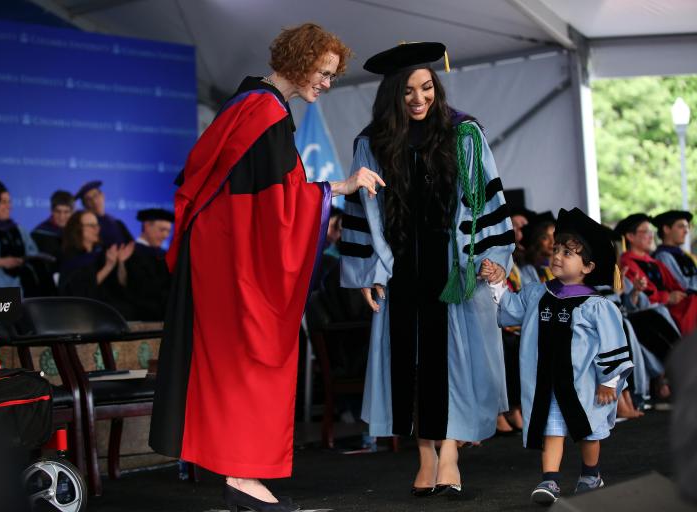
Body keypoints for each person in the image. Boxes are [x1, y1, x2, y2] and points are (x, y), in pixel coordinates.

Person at [148, 23, 381, 512]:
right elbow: (279, 208)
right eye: (324, 72)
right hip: (233, 263)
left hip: (217, 257)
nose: (327, 82)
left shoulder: (248, 106)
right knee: (252, 361)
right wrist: (340, 186)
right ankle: (242, 476)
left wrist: (329, 189)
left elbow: (254, 192)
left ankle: (240, 476)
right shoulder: (267, 115)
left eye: (332, 75)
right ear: (298, 63)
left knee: (233, 366)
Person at [340, 42, 514, 498]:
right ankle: (425, 456)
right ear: (392, 97)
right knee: (411, 365)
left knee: (452, 365)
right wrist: (368, 273)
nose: (419, 100)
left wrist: (489, 259)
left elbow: (486, 202)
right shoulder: (372, 143)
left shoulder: (464, 134)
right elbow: (361, 212)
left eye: (427, 88)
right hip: (399, 270)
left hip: (453, 268)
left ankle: (451, 453)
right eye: (408, 92)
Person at [483, 207, 633, 505]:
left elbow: (612, 343)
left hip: (584, 385)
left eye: (568, 252)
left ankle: (591, 474)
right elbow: (511, 308)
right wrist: (498, 282)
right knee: (551, 430)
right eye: (557, 249)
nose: (558, 256)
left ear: (588, 267)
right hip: (548, 383)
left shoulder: (597, 305)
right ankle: (549, 481)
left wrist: (610, 382)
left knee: (589, 432)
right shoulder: (538, 293)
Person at [617, 213, 697, 335]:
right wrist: (668, 297)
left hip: (669, 308)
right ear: (630, 236)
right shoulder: (627, 264)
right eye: (645, 232)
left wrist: (679, 294)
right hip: (651, 315)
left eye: (651, 232)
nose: (651, 236)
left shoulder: (654, 262)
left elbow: (676, 285)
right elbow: (646, 295)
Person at [0, 179, 50, 295]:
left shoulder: (19, 230)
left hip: (24, 286)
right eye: (3, 202)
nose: (9, 206)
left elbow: (32, 252)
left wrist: (27, 259)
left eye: (9, 202)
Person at [58, 210, 136, 318]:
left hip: (108, 306)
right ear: (77, 228)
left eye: (97, 225)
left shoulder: (102, 253)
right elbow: (81, 292)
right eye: (91, 225)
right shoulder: (71, 257)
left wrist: (121, 262)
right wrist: (108, 267)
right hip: (82, 312)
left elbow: (120, 285)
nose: (97, 229)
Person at [125, 208, 174, 321]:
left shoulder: (164, 254)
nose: (165, 235)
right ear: (147, 226)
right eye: (162, 230)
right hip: (139, 316)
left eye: (168, 231)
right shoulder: (130, 253)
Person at [74, 181, 133, 247]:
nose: (94, 201)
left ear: (103, 196)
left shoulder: (117, 224)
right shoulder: (86, 228)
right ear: (84, 204)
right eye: (88, 199)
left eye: (95, 195)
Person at [31, 190, 74, 275]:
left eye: (66, 212)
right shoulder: (39, 234)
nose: (62, 217)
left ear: (72, 212)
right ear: (51, 210)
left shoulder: (77, 234)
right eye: (58, 211)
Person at [652, 210, 697, 291]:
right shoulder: (663, 256)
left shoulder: (683, 254)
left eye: (687, 227)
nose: (686, 231)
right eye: (681, 226)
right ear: (666, 229)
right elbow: (683, 286)